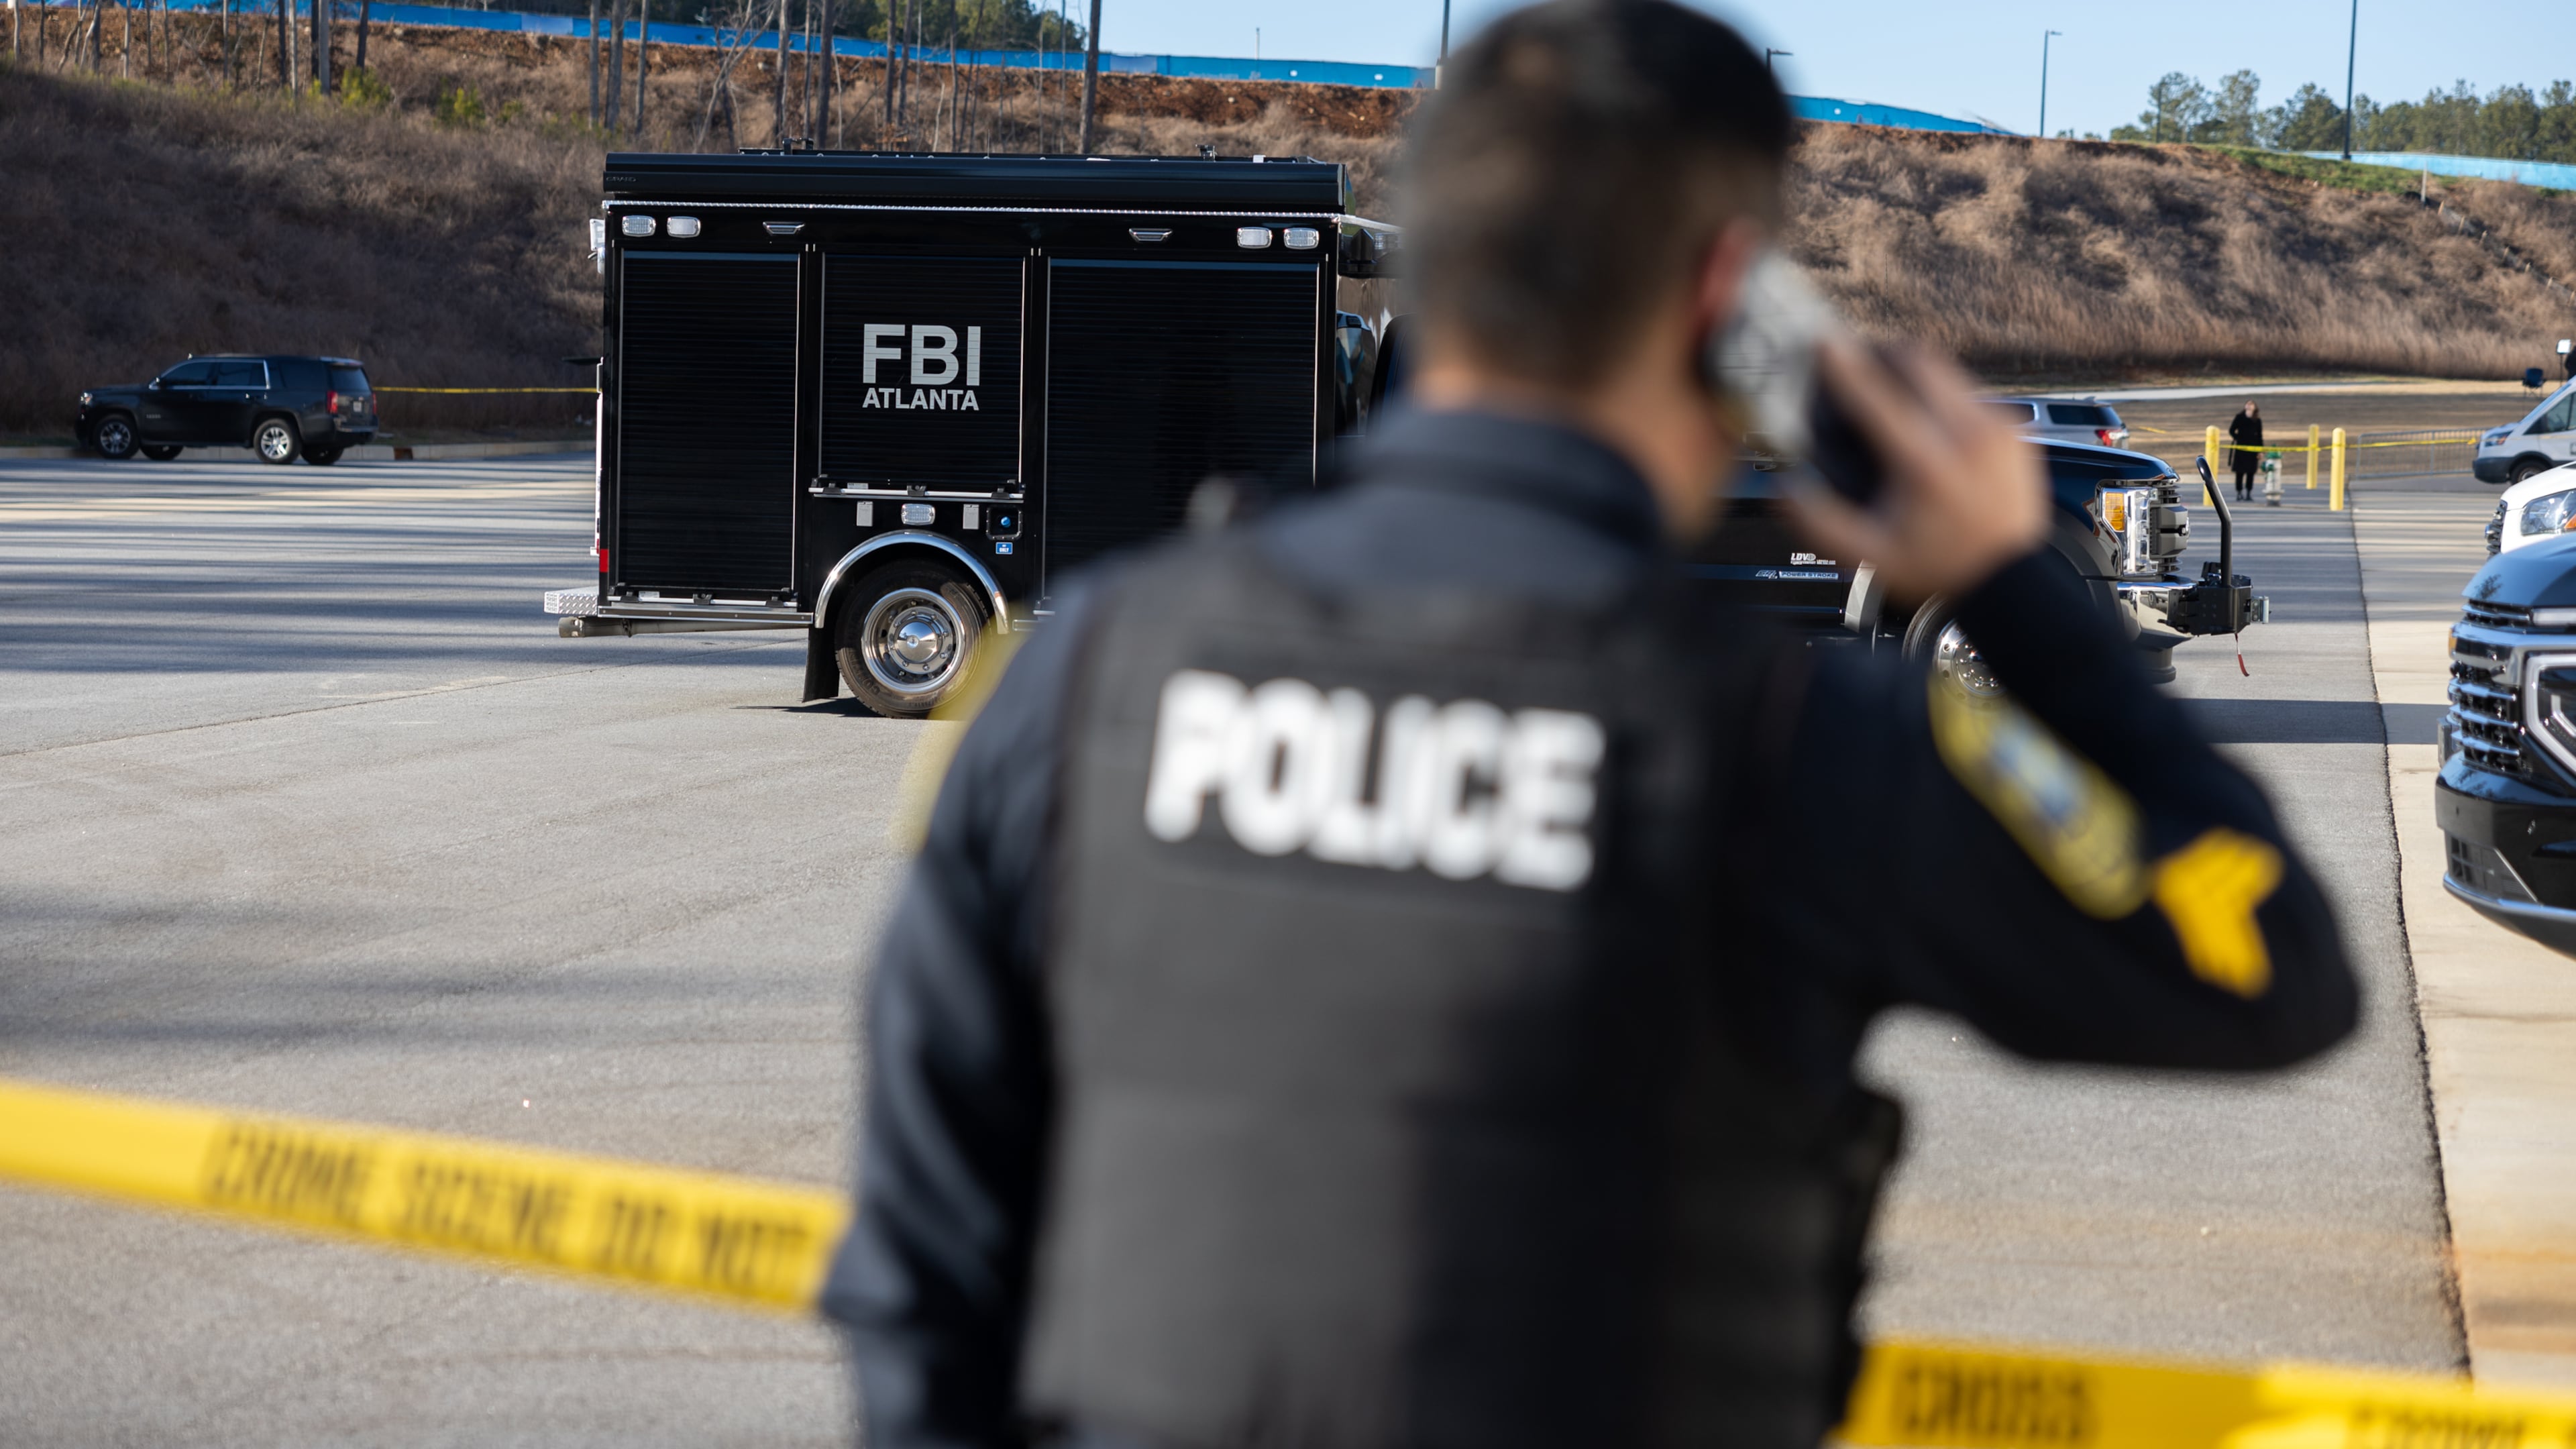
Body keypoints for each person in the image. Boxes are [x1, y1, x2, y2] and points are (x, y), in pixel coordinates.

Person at [819, 5, 2359, 1447]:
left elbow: (919, 1272)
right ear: (1727, 301)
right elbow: (2262, 967)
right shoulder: (1804, 740)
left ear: (1441, 262)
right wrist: (2011, 590)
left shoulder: (1072, 680)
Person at [2230, 400, 2265, 500]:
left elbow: (2260, 437)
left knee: (2251, 472)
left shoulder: (2257, 420)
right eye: (2248, 403)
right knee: (2239, 472)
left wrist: (2260, 451)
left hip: (2253, 449)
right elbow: (2232, 430)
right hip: (2241, 449)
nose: (2249, 405)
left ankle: (2249, 492)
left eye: (2252, 404)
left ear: (2255, 407)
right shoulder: (2239, 418)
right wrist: (2238, 438)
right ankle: (2239, 492)